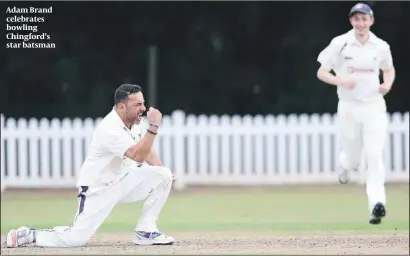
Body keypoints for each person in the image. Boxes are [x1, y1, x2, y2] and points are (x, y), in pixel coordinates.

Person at [6, 84, 177, 248]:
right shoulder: (110, 129)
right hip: (98, 189)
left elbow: (145, 149)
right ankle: (29, 234)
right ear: (121, 107)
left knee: (163, 175)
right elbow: (138, 155)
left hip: (124, 181)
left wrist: (160, 170)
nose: (143, 108)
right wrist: (154, 126)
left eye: (143, 103)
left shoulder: (135, 123)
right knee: (75, 240)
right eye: (138, 104)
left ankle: (146, 231)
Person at [316, 2, 395, 225]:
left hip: (374, 107)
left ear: (371, 21)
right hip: (349, 107)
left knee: (373, 156)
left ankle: (377, 204)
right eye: (356, 19)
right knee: (352, 158)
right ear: (351, 21)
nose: (360, 23)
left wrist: (386, 84)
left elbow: (388, 69)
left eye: (364, 19)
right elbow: (322, 72)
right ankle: (344, 164)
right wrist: (341, 80)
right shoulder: (340, 43)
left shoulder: (380, 46)